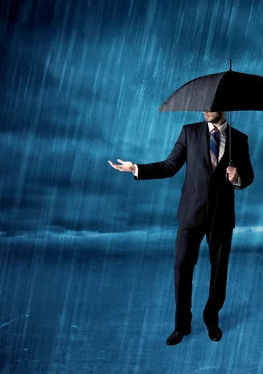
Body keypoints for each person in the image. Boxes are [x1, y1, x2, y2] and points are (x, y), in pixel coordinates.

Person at [108, 111, 254, 345]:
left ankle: (211, 318)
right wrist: (135, 168)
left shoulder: (239, 139)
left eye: (210, 105)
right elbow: (169, 166)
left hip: (222, 216)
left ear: (224, 106)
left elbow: (249, 176)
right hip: (191, 213)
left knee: (219, 271)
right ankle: (182, 325)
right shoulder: (190, 132)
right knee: (181, 267)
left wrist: (237, 178)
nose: (205, 109)